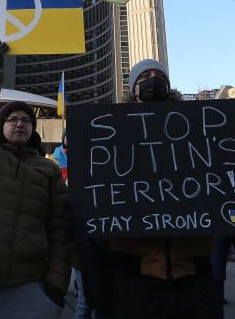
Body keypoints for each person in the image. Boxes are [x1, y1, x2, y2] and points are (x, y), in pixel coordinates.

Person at [87, 59, 217, 318]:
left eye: (159, 75)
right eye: (145, 76)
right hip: (135, 273)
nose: (152, 80)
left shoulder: (194, 128)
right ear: (133, 88)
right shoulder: (111, 132)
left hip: (191, 272)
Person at [0, 40, 70, 318]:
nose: (19, 123)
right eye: (11, 119)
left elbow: (60, 229)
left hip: (30, 286)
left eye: (26, 120)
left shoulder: (47, 169)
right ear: (0, 127)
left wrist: (55, 288)